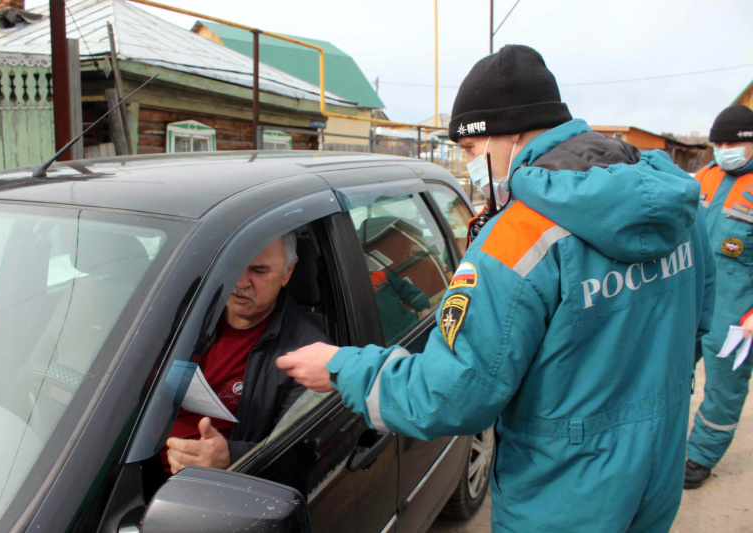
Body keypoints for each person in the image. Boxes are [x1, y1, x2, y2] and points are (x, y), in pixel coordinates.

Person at [276, 44, 715, 532]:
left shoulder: (516, 240)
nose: (469, 165)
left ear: (506, 135)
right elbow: (698, 324)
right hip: (658, 467)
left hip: (564, 493)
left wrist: (343, 368)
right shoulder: (676, 206)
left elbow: (454, 394)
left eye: (468, 150)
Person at [163, 232, 329, 473]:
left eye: (259, 271)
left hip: (206, 486)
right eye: (234, 266)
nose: (240, 283)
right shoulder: (186, 314)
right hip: (129, 465)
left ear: (287, 273)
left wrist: (229, 457)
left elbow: (294, 452)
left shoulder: (308, 354)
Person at [684, 104, 753, 489]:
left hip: (737, 312)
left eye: (732, 143)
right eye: (719, 142)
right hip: (692, 299)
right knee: (671, 372)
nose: (724, 149)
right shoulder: (703, 178)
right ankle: (664, 441)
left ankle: (700, 457)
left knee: (724, 387)